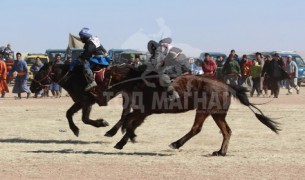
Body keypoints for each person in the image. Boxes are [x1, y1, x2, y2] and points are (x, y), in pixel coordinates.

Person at [79, 27, 109, 91]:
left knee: (85, 65)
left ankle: (91, 81)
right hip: (103, 56)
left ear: (85, 37)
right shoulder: (94, 39)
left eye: (81, 36)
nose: (80, 38)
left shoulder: (89, 43)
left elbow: (88, 52)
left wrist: (81, 58)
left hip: (97, 58)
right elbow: (100, 47)